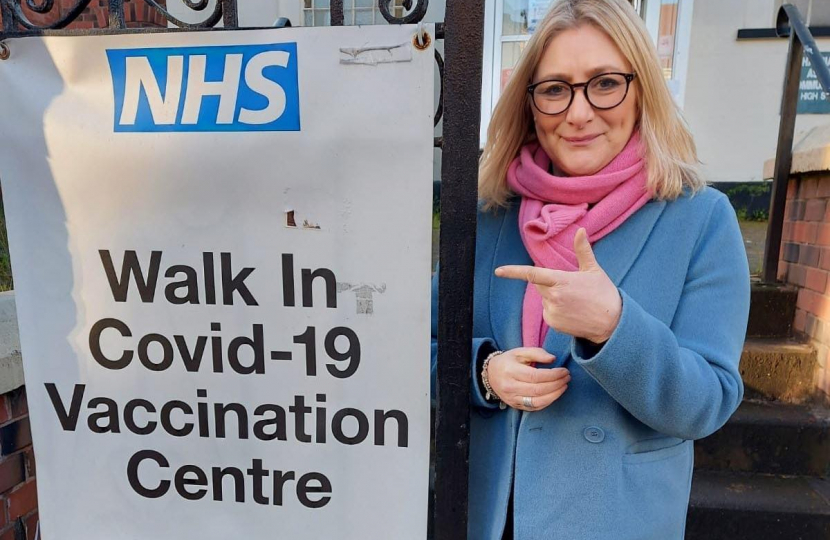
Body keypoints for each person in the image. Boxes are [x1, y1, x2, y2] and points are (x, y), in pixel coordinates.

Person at [429, 0, 750, 538]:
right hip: (481, 515)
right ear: (530, 104)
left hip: (612, 519)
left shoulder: (699, 218)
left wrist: (614, 328)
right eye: (555, 89)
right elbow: (420, 348)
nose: (578, 112)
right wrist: (485, 373)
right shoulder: (490, 215)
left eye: (604, 83)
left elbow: (710, 399)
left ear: (641, 88)